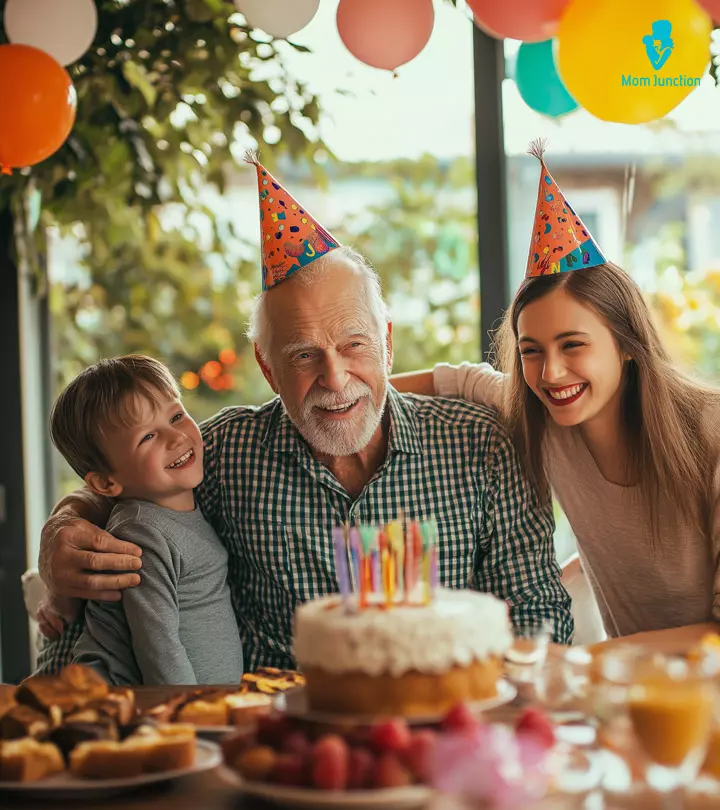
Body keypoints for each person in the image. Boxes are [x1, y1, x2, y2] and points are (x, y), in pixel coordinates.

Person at [33, 156, 573, 675]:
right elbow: (122, 513)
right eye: (303, 355)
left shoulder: (482, 445)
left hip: (442, 729)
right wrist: (68, 522)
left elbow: (535, 613)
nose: (335, 380)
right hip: (277, 746)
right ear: (268, 370)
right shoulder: (219, 456)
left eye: (353, 345)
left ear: (387, 344)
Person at [394, 141, 720, 642]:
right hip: (627, 693)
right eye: (531, 351)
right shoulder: (541, 418)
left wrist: (587, 664)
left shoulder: (711, 431)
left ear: (627, 343)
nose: (550, 373)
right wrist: (351, 390)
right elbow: (452, 379)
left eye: (573, 345)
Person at [41, 355, 244, 685]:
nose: (176, 437)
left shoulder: (181, 512)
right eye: (148, 437)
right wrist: (187, 718)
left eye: (177, 416)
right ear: (106, 483)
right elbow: (157, 647)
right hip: (138, 709)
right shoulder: (142, 534)